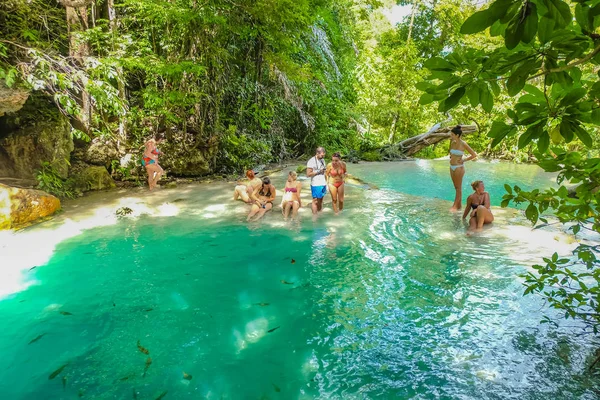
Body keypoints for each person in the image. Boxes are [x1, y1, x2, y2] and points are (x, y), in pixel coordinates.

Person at [448, 125, 477, 211]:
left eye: (452, 134)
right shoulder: (452, 143)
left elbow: (474, 155)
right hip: (451, 167)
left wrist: (464, 160)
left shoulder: (463, 144)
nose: (451, 136)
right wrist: (452, 157)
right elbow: (451, 154)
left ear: (457, 135)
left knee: (458, 188)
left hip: (458, 167)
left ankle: (455, 206)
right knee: (456, 187)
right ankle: (459, 205)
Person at [306, 147, 327, 215]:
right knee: (315, 200)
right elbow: (308, 174)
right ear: (317, 153)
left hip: (323, 182)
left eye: (323, 155)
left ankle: (320, 213)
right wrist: (318, 171)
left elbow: (325, 171)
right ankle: (314, 216)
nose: (322, 156)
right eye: (321, 155)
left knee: (321, 199)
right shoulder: (311, 161)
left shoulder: (322, 160)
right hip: (315, 183)